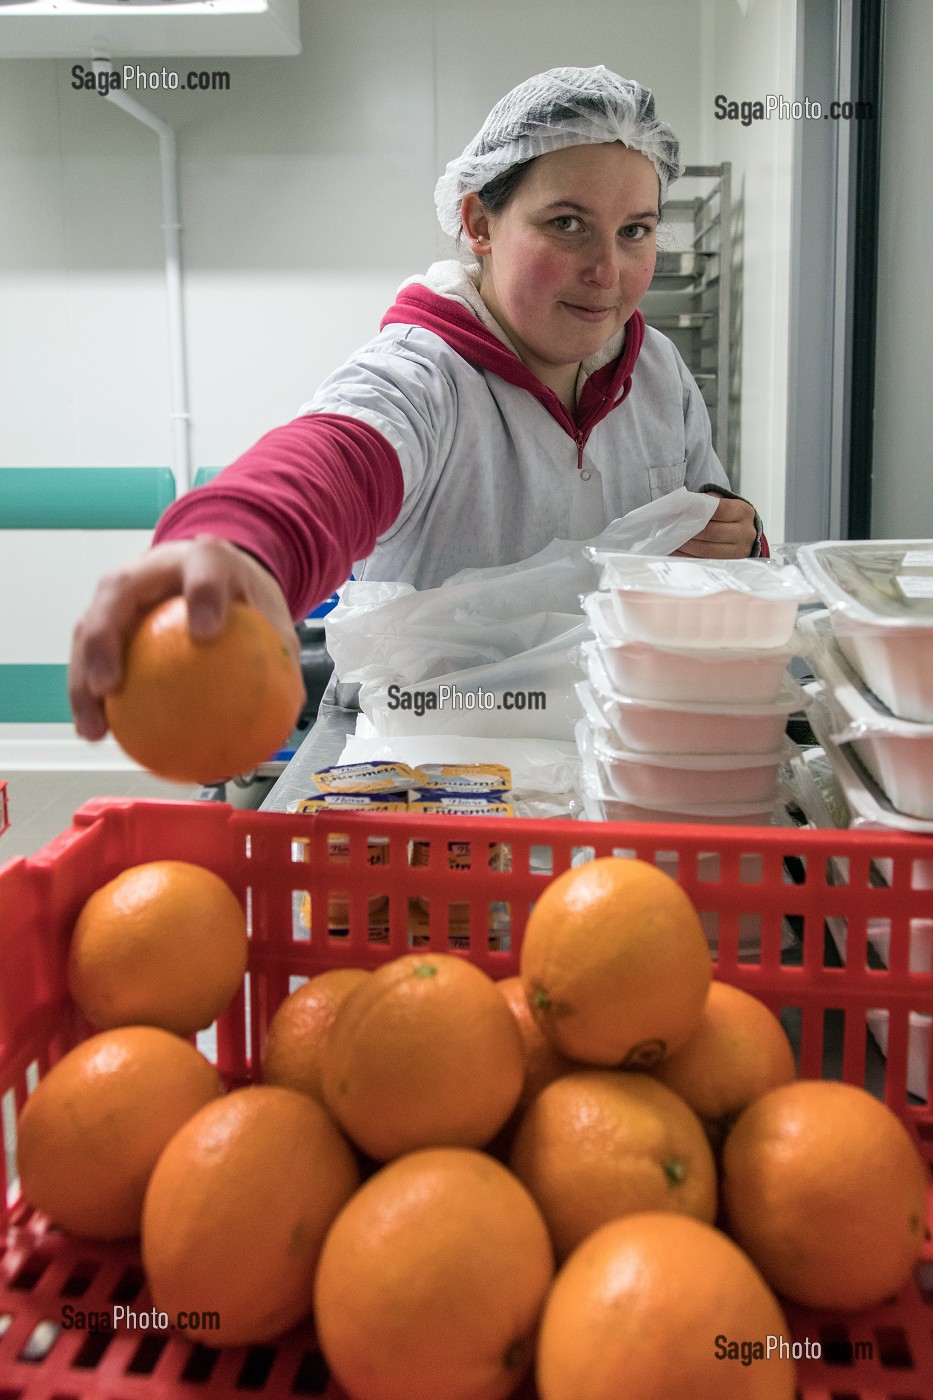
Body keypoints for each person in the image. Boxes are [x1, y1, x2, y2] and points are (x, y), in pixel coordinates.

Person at [70, 65, 762, 744]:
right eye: (566, 224)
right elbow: (339, 456)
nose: (606, 272)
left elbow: (706, 536)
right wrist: (235, 541)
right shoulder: (426, 372)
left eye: (634, 231)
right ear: (478, 225)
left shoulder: (657, 372)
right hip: (431, 766)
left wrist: (737, 537)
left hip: (619, 750)